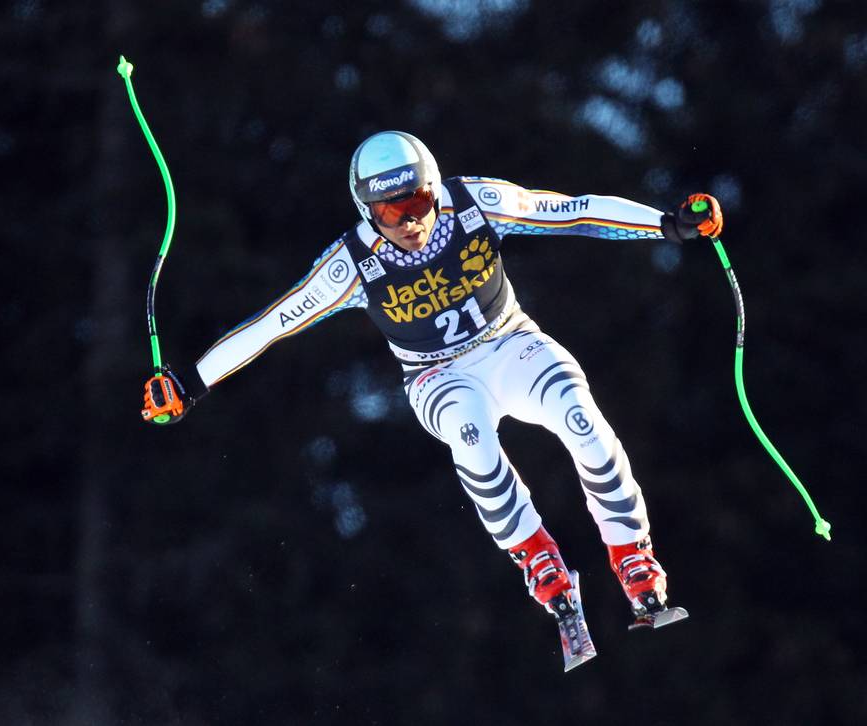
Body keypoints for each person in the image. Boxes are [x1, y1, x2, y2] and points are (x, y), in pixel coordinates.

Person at [143, 130, 722, 636]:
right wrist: (189, 383)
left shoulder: (473, 202)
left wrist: (667, 224)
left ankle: (632, 556)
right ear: (369, 210)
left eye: (419, 200)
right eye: (393, 212)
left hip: (510, 341)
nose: (413, 220)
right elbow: (274, 322)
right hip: (437, 374)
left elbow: (571, 210)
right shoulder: (351, 264)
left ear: (434, 187)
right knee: (471, 436)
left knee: (580, 418)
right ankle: (536, 556)